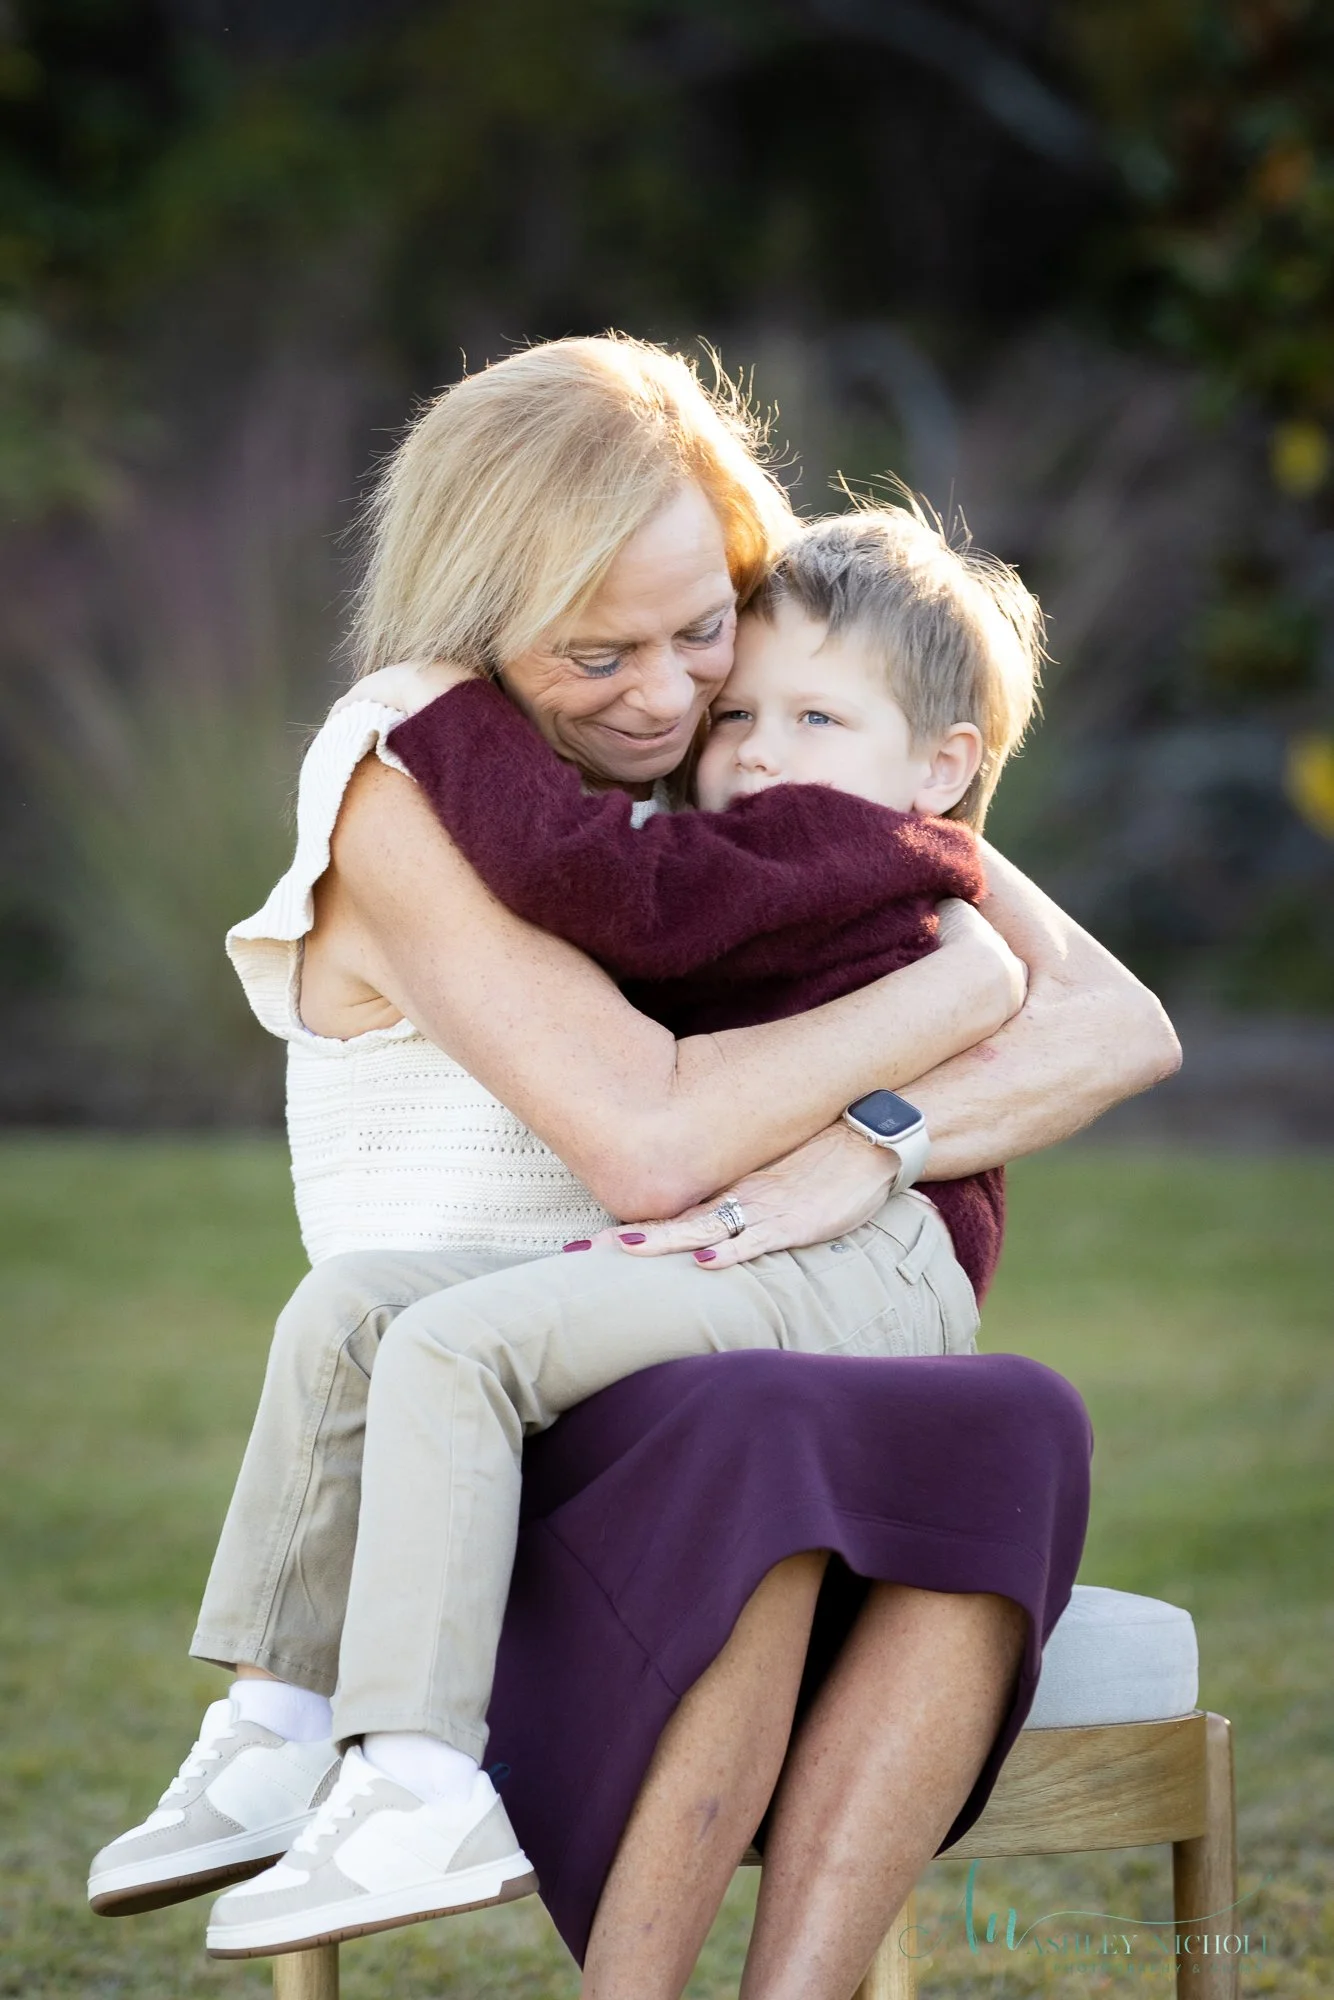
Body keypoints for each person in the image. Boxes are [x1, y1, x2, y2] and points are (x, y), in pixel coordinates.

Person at [87, 335, 1177, 2000]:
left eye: (703, 635)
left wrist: (877, 1141)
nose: (677, 705)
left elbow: (1111, 1023)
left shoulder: (782, 758)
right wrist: (942, 997)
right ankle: (326, 1739)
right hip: (547, 1423)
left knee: (1004, 1418)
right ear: (478, 630)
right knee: (712, 1421)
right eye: (606, 653)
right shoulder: (428, 773)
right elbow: (652, 1132)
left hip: (683, 1326)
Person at [193, 501, 1038, 1959]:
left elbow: (611, 892)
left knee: (459, 1349)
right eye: (741, 714)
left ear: (942, 766)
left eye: (817, 715)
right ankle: (270, 1724)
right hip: (772, 1237)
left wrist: (428, 709)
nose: (760, 752)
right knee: (357, 1307)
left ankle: (415, 1777)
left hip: (867, 1267)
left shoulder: (851, 846)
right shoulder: (797, 838)